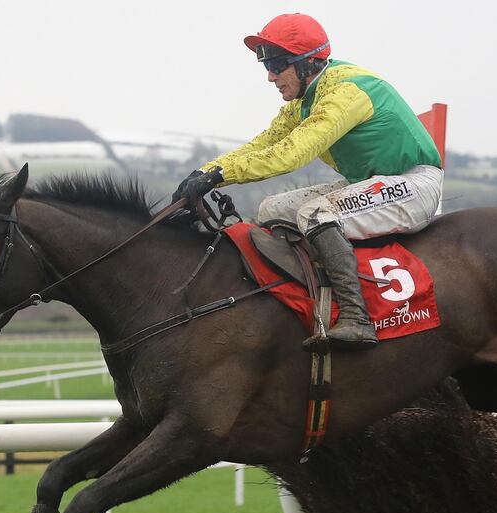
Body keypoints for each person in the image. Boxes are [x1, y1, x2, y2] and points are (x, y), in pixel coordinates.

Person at [174, 13, 443, 351]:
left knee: (316, 214)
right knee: (272, 207)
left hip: (413, 186)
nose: (271, 77)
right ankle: (303, 295)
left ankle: (356, 318)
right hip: (376, 183)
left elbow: (291, 154)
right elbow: (265, 143)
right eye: (266, 66)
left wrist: (221, 176)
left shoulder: (346, 92)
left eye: (277, 65)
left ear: (307, 63)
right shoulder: (305, 98)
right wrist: (204, 172)